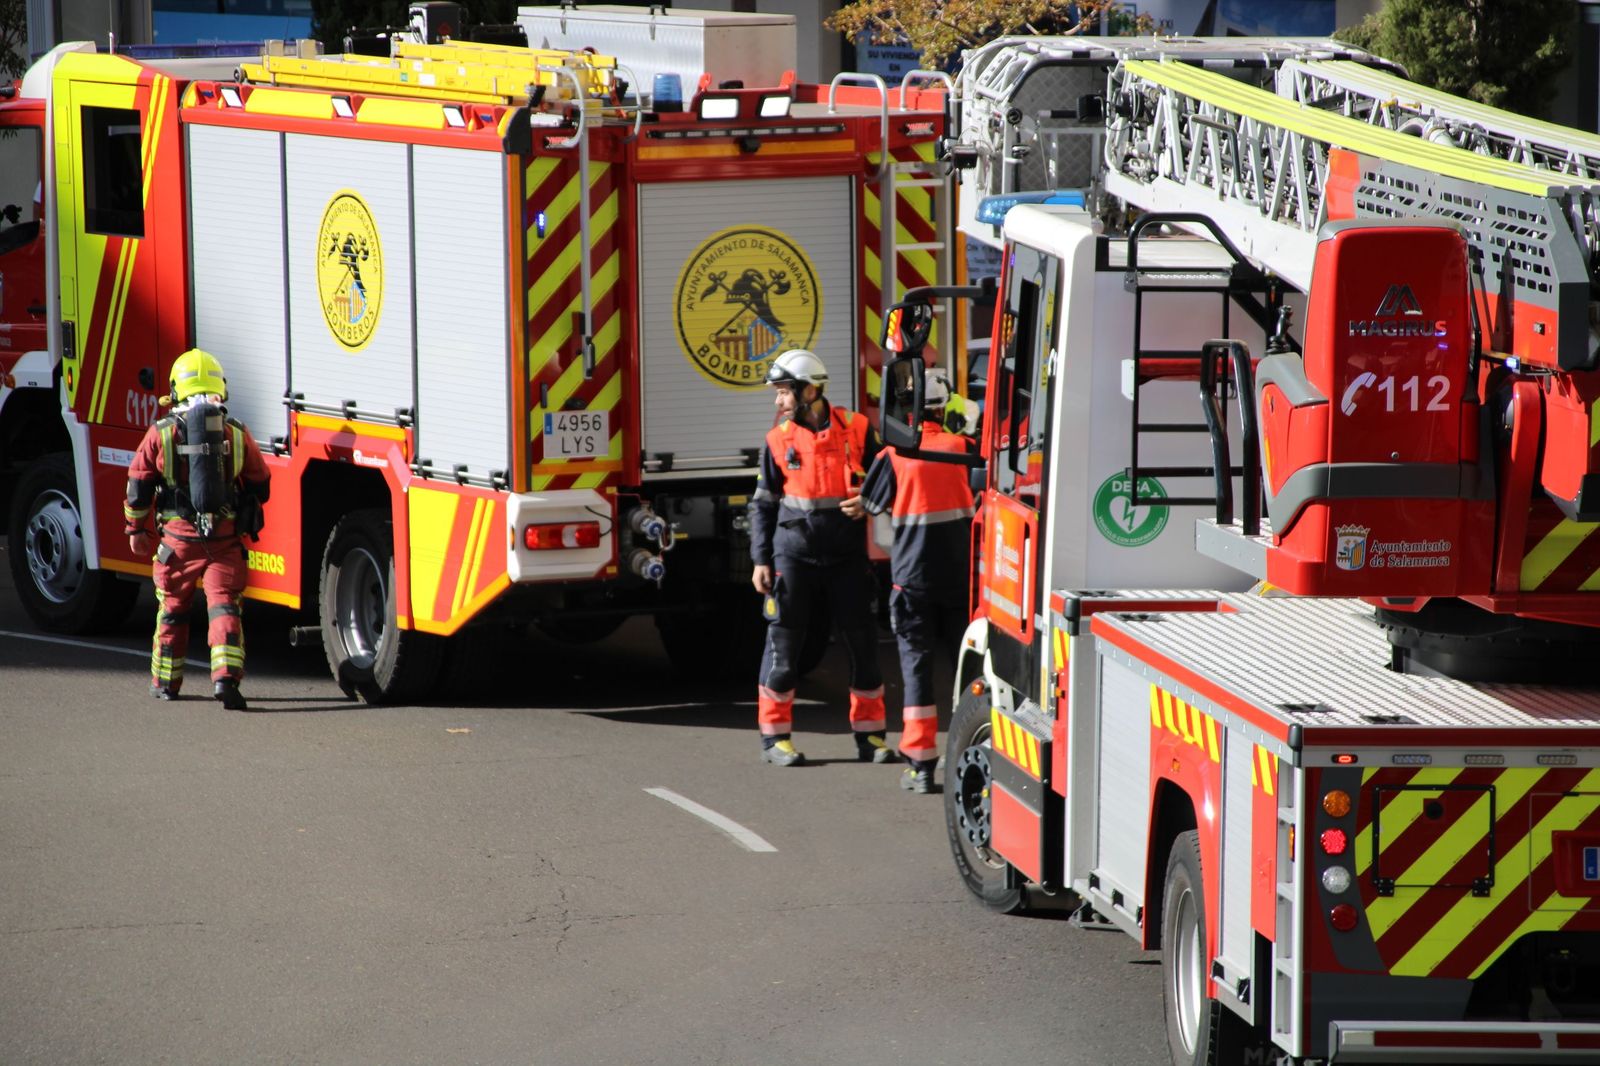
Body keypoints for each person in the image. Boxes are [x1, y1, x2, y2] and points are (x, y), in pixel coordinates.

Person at [749, 348, 890, 767]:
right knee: (784, 647)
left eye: (783, 393)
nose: (778, 402)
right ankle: (776, 740)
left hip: (847, 556)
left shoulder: (859, 429)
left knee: (863, 645)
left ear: (809, 390)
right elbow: (762, 503)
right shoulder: (777, 438)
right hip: (793, 557)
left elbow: (888, 475)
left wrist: (868, 501)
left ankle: (871, 738)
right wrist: (760, 560)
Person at [123, 349, 271, 710]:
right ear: (220, 386)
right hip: (224, 540)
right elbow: (261, 483)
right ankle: (225, 679)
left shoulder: (160, 434)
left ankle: (166, 683)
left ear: (176, 390)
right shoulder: (237, 434)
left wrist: (136, 530)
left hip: (178, 543)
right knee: (224, 607)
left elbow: (138, 485)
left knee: (172, 607)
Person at [861, 368, 977, 793]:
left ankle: (921, 766)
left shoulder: (893, 455)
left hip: (913, 581)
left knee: (917, 670)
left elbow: (872, 503)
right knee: (970, 671)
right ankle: (972, 751)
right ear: (943, 406)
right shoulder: (965, 448)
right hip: (961, 580)